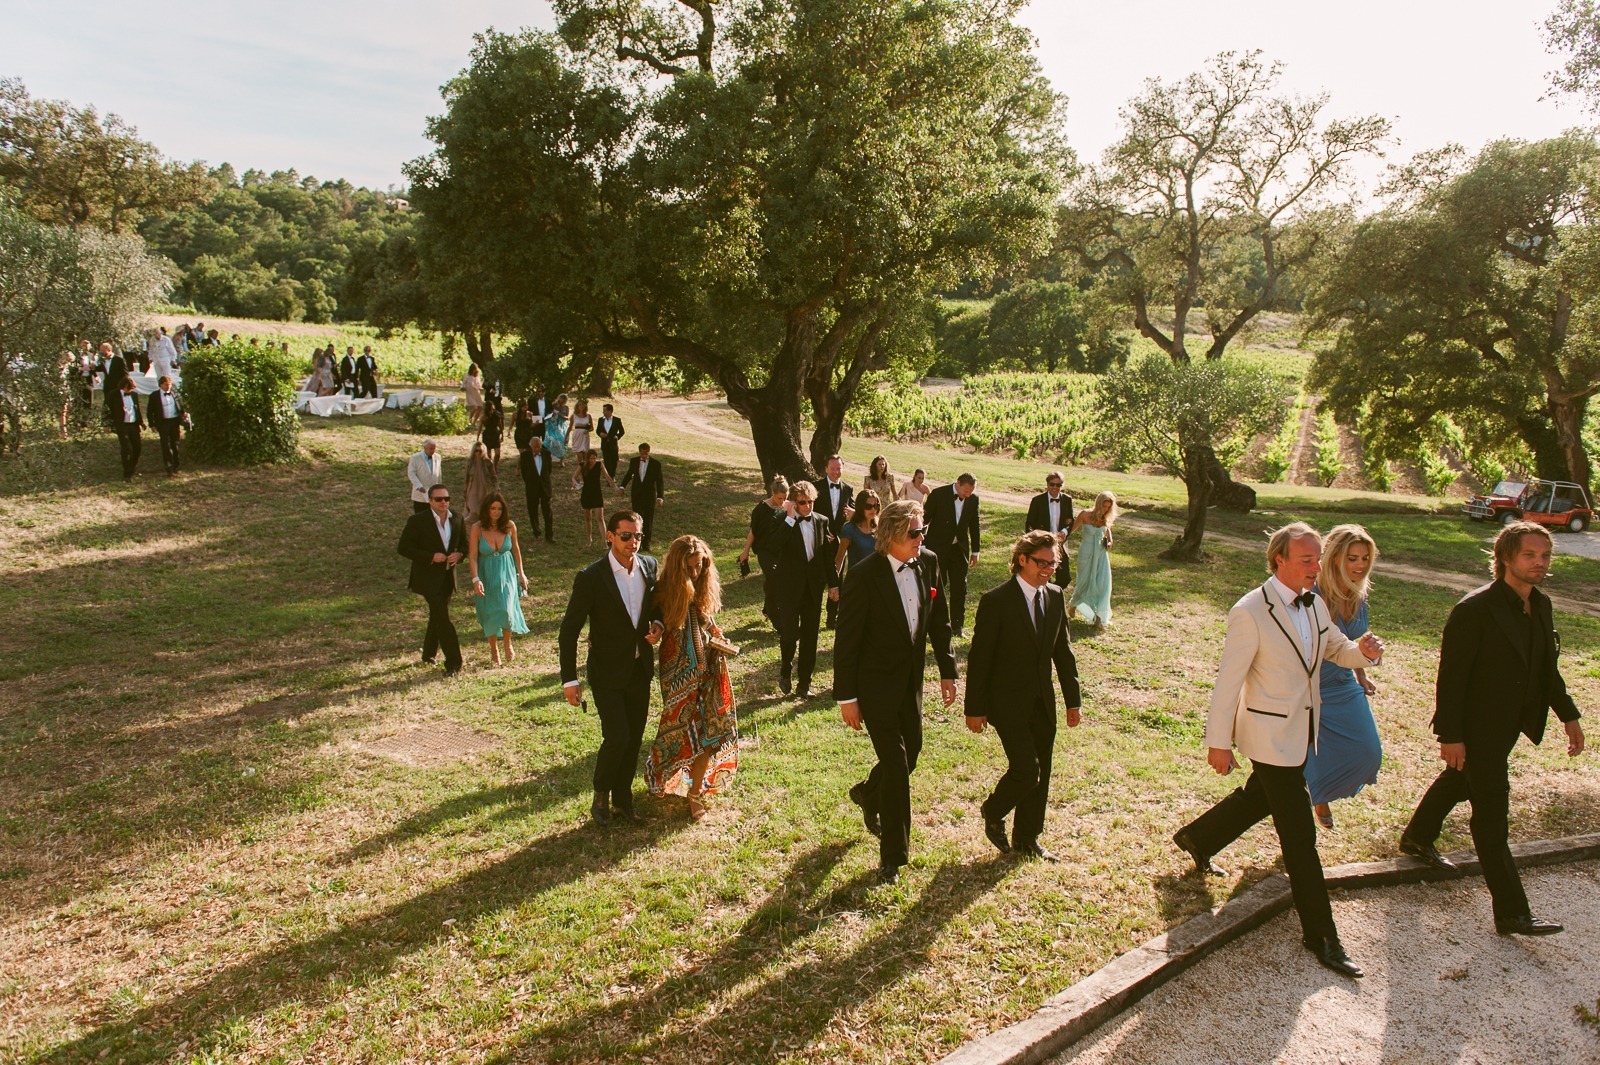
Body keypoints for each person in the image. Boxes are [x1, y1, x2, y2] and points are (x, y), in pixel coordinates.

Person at [1172, 522, 1386, 979]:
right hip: (1269, 738)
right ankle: (1322, 936)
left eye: (1317, 558)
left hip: (1303, 731)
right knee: (1299, 836)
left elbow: (1337, 649)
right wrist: (1218, 743)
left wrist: (1363, 652)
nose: (1316, 567)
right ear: (1279, 561)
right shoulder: (1250, 611)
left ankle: (1199, 837)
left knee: (1263, 797)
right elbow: (1228, 682)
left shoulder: (1314, 603)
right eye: (1306, 560)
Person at [1398, 521, 1585, 937]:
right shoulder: (1473, 610)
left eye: (1545, 556)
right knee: (1491, 817)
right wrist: (1451, 736)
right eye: (1530, 556)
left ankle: (1417, 836)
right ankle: (1512, 912)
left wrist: (1568, 715)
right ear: (1505, 559)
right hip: (1474, 728)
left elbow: (1545, 669)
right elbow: (1451, 679)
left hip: (1506, 728)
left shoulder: (1542, 604)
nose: (1540, 563)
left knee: (1461, 780)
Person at [835, 498, 959, 884]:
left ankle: (868, 795)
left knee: (912, 755)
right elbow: (847, 640)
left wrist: (948, 671)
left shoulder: (930, 563)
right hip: (874, 687)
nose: (921, 538)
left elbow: (940, 621)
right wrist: (847, 698)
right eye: (914, 532)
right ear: (890, 535)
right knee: (896, 766)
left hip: (911, 683)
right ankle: (893, 857)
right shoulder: (863, 574)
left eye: (924, 531)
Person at [965, 531, 1082, 860]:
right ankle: (993, 810)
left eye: (1053, 563)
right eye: (1042, 562)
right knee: (1026, 770)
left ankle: (1027, 838)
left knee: (1041, 772)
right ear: (1022, 560)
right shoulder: (996, 601)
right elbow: (980, 658)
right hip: (1006, 703)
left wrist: (1073, 700)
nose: (1048, 569)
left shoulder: (1056, 597)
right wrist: (974, 708)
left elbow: (1064, 652)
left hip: (1042, 702)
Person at [559, 511, 665, 826]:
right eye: (625, 536)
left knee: (633, 739)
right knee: (617, 735)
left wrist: (657, 623)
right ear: (610, 536)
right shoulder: (591, 577)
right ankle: (600, 795)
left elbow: (656, 605)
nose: (633, 542)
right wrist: (569, 680)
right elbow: (569, 630)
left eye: (638, 536)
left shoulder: (649, 566)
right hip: (606, 672)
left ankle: (623, 801)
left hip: (639, 668)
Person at [644, 535, 739, 820]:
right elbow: (656, 615)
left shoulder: (702, 585)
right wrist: (658, 627)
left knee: (709, 731)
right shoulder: (664, 589)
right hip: (678, 671)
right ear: (677, 566)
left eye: (700, 566)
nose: (696, 573)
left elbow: (707, 621)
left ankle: (695, 792)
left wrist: (719, 636)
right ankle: (663, 772)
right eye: (690, 568)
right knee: (679, 726)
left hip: (709, 667)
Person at [1305, 525, 1384, 830]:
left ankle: (1318, 790)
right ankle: (1317, 796)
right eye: (1352, 558)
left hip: (1342, 682)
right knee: (1309, 751)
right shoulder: (1313, 594)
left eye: (1365, 558)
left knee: (1368, 752)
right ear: (1335, 557)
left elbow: (1353, 640)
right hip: (1311, 686)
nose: (1360, 565)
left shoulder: (1358, 594)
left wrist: (1360, 673)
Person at [768, 480, 840, 698]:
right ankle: (785, 670)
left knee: (810, 637)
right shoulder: (782, 520)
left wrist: (834, 583)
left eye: (811, 502)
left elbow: (828, 556)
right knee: (790, 633)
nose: (808, 506)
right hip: (790, 588)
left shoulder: (821, 521)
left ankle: (804, 684)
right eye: (802, 502)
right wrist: (789, 519)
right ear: (793, 502)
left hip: (813, 588)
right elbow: (773, 546)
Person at [397, 484, 466, 676]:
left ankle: (428, 654)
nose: (443, 502)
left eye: (446, 499)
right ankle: (454, 662)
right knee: (443, 617)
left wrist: (459, 555)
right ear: (430, 501)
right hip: (427, 579)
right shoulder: (417, 521)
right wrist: (430, 556)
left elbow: (464, 545)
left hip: (447, 578)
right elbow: (404, 548)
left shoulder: (457, 519)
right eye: (438, 499)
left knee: (437, 614)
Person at [467, 491, 529, 667]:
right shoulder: (477, 528)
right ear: (486, 509)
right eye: (493, 508)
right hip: (486, 573)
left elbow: (516, 551)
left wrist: (521, 573)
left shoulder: (509, 526)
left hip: (507, 572)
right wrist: (475, 579)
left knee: (507, 608)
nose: (496, 512)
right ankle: (494, 649)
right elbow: (472, 556)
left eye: (500, 509)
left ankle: (507, 643)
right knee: (490, 611)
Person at [923, 473, 981, 638]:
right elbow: (925, 519)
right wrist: (923, 544)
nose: (967, 495)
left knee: (960, 587)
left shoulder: (973, 499)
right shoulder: (939, 494)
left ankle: (957, 626)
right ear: (958, 483)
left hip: (959, 549)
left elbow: (974, 525)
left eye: (970, 492)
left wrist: (975, 551)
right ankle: (931, 623)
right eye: (965, 491)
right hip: (937, 548)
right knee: (936, 586)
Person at [740, 475, 790, 624]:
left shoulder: (786, 507)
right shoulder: (761, 509)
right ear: (772, 494)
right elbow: (753, 532)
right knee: (775, 579)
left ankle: (767, 609)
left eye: (785, 498)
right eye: (780, 498)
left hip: (779, 551)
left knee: (772, 580)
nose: (782, 501)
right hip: (764, 551)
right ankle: (776, 617)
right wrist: (745, 552)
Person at [814, 455, 854, 630]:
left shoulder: (848, 489)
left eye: (839, 469)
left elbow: (852, 511)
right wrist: (823, 532)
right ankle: (812, 616)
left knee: (837, 580)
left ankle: (832, 618)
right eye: (833, 469)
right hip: (819, 541)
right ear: (826, 469)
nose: (837, 472)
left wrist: (853, 513)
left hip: (839, 542)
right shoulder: (816, 487)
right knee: (818, 578)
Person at [1068, 491, 1117, 630]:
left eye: (1108, 507)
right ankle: (1074, 604)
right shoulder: (1085, 514)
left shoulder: (1106, 518)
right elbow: (1072, 529)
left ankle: (1099, 618)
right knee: (1084, 582)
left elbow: (1108, 533)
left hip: (1101, 555)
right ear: (1098, 503)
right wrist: (1060, 535)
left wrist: (1109, 542)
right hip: (1087, 553)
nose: (1106, 509)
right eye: (1104, 506)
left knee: (1102, 584)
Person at [1024, 472, 1075, 587]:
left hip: (1060, 543)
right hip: (1043, 543)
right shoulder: (1037, 501)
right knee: (1044, 575)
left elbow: (1070, 521)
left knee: (1065, 578)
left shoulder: (1067, 500)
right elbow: (1029, 524)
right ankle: (1045, 594)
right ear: (1047, 484)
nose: (1055, 488)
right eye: (1052, 484)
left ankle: (1053, 592)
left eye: (1058, 485)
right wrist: (1035, 542)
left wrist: (1065, 531)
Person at [619, 442, 666, 552]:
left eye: (646, 453)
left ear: (649, 452)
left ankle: (646, 544)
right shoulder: (634, 461)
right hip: (637, 495)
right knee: (637, 520)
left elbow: (659, 482)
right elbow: (629, 474)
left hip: (649, 496)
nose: (644, 455)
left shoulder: (656, 464)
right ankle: (637, 542)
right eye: (642, 453)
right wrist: (622, 486)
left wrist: (660, 497)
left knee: (648, 520)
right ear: (639, 451)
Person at [145, 375, 190, 475]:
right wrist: (152, 424)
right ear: (161, 385)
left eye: (169, 385)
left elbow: (180, 407)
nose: (168, 387)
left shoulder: (175, 394)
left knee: (175, 443)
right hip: (163, 422)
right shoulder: (154, 396)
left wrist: (184, 413)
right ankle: (168, 466)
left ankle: (176, 465)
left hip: (174, 422)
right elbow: (149, 411)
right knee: (166, 445)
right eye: (166, 385)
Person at [573, 448, 617, 547]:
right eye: (591, 458)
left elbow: (607, 476)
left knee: (600, 518)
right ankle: (589, 539)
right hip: (586, 494)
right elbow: (574, 477)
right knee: (587, 518)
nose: (592, 460)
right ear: (587, 458)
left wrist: (614, 486)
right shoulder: (582, 466)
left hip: (597, 493)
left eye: (594, 458)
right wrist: (574, 483)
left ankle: (605, 542)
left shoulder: (599, 464)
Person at [835, 489, 881, 575]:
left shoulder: (880, 528)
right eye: (868, 506)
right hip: (857, 581)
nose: (873, 509)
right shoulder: (849, 529)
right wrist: (834, 585)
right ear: (860, 507)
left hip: (877, 580)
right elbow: (839, 559)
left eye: (876, 506)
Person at [519, 438, 555, 542]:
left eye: (539, 446)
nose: (537, 449)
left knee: (547, 511)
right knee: (532, 510)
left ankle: (549, 535)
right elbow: (524, 473)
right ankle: (536, 531)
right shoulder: (525, 456)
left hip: (544, 487)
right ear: (531, 446)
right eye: (535, 447)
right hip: (532, 487)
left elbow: (549, 470)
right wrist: (530, 482)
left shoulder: (546, 454)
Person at [111, 374, 143, 480]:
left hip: (133, 424)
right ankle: (127, 473)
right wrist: (107, 424)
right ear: (123, 386)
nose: (130, 390)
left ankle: (132, 467)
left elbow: (136, 409)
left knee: (137, 447)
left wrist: (141, 422)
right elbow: (107, 410)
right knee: (126, 448)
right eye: (129, 388)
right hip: (122, 425)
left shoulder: (133, 395)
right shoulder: (113, 395)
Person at [463, 441, 498, 528]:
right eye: (476, 451)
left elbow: (494, 476)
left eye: (480, 451)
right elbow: (466, 478)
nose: (478, 453)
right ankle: (465, 524)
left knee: (482, 510)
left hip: (484, 488)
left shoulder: (488, 462)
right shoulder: (470, 462)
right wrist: (465, 490)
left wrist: (497, 486)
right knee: (473, 510)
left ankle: (482, 528)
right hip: (472, 489)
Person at [408, 439, 443, 513]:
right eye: (430, 448)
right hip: (420, 494)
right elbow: (411, 473)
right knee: (420, 517)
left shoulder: (438, 457)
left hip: (434, 494)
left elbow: (439, 474)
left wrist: (439, 488)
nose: (432, 450)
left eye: (434, 448)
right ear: (425, 448)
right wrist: (419, 486)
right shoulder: (415, 458)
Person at [598, 402, 625, 478]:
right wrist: (600, 434)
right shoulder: (601, 420)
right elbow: (598, 430)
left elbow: (622, 431)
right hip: (605, 444)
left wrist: (616, 437)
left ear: (610, 411)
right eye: (603, 410)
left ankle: (612, 474)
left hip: (613, 444)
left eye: (605, 410)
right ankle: (610, 477)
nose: (603, 412)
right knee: (607, 461)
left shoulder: (617, 420)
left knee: (614, 460)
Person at [544, 394, 571, 463]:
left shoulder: (566, 408)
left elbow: (567, 418)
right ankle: (550, 457)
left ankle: (561, 460)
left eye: (563, 401)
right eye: (560, 401)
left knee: (563, 441)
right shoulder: (554, 406)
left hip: (562, 426)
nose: (562, 403)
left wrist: (559, 414)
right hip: (553, 426)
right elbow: (548, 414)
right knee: (552, 441)